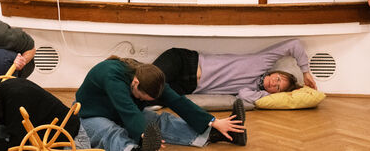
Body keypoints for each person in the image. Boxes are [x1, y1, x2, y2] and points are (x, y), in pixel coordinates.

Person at [76, 56, 247, 151]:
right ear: (135, 83)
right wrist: (144, 137)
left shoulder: (150, 78)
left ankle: (217, 134)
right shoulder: (112, 76)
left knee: (158, 121)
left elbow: (178, 101)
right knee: (111, 131)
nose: (143, 101)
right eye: (142, 98)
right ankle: (133, 149)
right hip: (89, 114)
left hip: (117, 111)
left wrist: (213, 122)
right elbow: (128, 111)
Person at [152, 39, 317, 105]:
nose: (274, 83)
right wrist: (305, 72)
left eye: (278, 87)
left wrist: (268, 95)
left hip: (187, 87)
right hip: (185, 62)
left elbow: (243, 95)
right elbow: (294, 45)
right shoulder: (262, 62)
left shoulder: (252, 91)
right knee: (149, 82)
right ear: (276, 73)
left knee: (150, 99)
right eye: (278, 78)